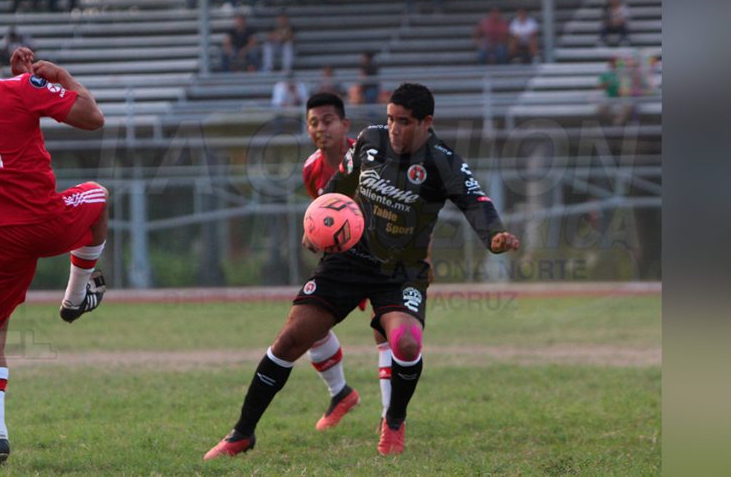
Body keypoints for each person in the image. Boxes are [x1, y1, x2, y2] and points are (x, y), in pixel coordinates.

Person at [204, 83, 520, 460]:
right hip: (349, 260)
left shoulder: (444, 160)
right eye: (390, 119)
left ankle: (394, 420)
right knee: (290, 339)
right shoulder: (371, 141)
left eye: (403, 122)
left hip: (401, 271)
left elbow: (475, 200)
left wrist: (495, 234)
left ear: (426, 123)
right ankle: (242, 433)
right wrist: (317, 222)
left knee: (405, 342)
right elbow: (340, 184)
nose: (394, 129)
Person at [0, 26, 109, 464]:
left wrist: (18, 84)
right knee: (98, 198)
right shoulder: (20, 87)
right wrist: (57, 78)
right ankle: (75, 296)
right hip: (40, 219)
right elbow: (92, 117)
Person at [300, 92, 436, 432]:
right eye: (313, 123)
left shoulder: (370, 153)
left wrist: (425, 254)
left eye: (328, 121)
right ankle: (340, 393)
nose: (321, 129)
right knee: (308, 328)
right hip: (345, 260)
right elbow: (324, 216)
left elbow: (411, 209)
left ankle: (388, 418)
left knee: (384, 333)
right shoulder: (311, 169)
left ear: (344, 124)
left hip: (385, 259)